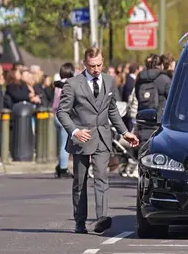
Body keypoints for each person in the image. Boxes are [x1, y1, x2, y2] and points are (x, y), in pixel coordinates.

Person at [56, 47, 139, 234]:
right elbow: (62, 112)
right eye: (92, 65)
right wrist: (74, 131)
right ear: (85, 64)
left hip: (103, 136)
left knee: (102, 177)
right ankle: (80, 221)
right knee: (80, 182)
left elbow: (112, 111)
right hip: (81, 138)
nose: (96, 69)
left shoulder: (109, 81)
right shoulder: (73, 84)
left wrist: (125, 132)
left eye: (99, 64)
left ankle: (101, 218)